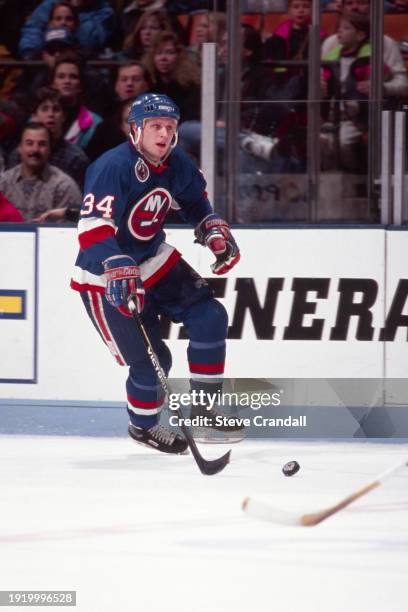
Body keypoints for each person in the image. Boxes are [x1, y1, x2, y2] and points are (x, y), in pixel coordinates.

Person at [70, 92, 243, 454]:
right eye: (155, 127)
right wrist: (115, 263)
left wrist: (210, 228)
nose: (164, 134)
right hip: (105, 276)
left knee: (210, 316)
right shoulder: (111, 166)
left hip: (152, 260)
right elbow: (91, 229)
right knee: (153, 363)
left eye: (169, 127)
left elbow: (194, 200)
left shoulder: (176, 161)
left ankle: (204, 408)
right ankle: (144, 427)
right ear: (136, 129)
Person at [7, 87, 89, 189]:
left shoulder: (76, 159)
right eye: (44, 109)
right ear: (34, 116)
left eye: (56, 109)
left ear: (63, 116)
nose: (51, 114)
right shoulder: (18, 155)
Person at [0, 121, 82, 220]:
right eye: (29, 143)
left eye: (42, 144)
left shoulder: (64, 187)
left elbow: (71, 230)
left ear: (49, 149)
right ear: (19, 148)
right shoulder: (3, 183)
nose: (35, 149)